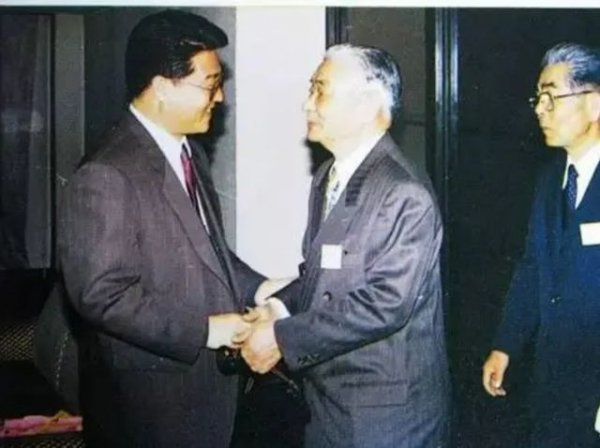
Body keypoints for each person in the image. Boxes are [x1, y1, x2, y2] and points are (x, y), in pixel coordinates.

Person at [58, 10, 266, 447]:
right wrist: (206, 330)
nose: (220, 97)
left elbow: (207, 250)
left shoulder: (190, 152)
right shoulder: (107, 173)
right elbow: (101, 294)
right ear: (162, 87)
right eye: (210, 84)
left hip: (205, 394)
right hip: (152, 406)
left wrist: (261, 288)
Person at [241, 44, 450, 448]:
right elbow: (318, 275)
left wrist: (282, 337)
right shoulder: (328, 176)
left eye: (320, 90)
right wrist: (276, 308)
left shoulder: (403, 192)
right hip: (330, 404)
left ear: (367, 104)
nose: (307, 104)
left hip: (385, 416)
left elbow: (386, 303)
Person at [482, 42, 600, 448]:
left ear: (594, 103)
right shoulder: (550, 181)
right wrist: (505, 345)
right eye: (538, 98)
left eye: (551, 96)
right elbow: (532, 267)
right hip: (553, 387)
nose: (540, 109)